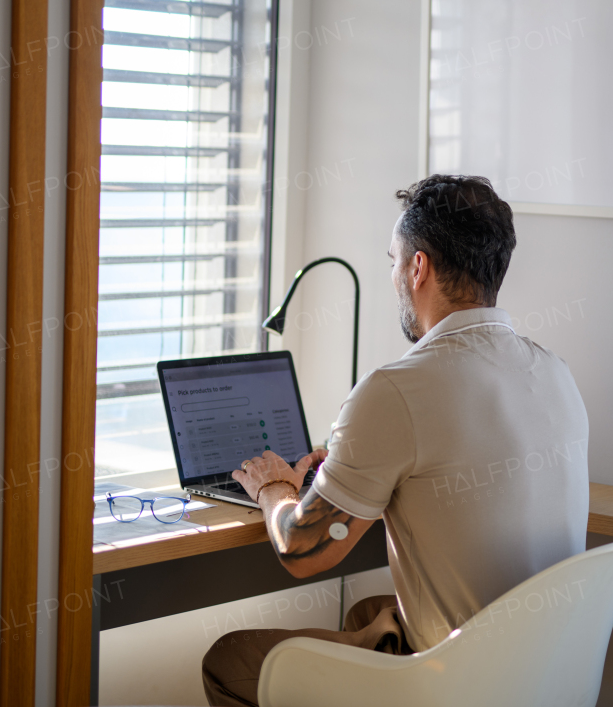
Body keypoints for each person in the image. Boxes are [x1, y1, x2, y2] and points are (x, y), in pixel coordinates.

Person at [202, 174, 590, 706]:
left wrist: (274, 488)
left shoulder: (398, 389)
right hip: (547, 675)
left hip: (462, 686)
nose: (391, 275)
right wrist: (357, 471)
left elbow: (302, 549)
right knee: (370, 616)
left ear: (418, 267)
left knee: (228, 660)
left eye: (392, 260)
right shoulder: (555, 372)